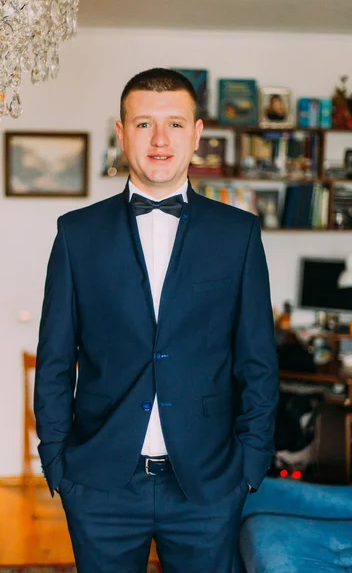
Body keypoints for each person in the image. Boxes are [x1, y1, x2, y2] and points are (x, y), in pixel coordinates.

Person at [34, 68, 279, 573]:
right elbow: (55, 360)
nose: (161, 140)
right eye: (144, 124)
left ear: (197, 134)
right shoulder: (76, 235)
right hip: (100, 485)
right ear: (122, 134)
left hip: (209, 485)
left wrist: (250, 467)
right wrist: (58, 464)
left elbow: (257, 360)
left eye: (174, 124)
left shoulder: (239, 235)